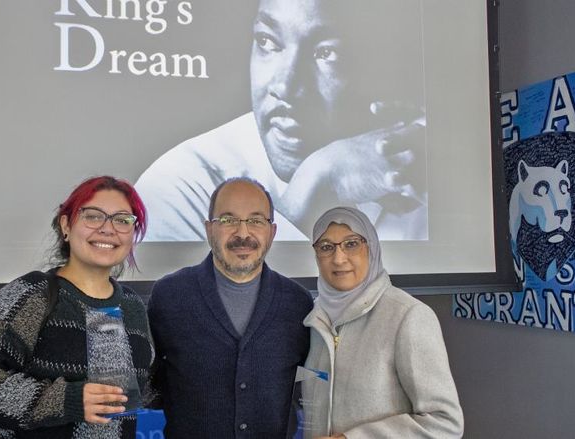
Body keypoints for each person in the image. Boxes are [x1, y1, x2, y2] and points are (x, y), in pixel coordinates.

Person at [136, 0, 428, 242]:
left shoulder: (418, 158)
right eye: (267, 41)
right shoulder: (181, 184)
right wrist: (316, 182)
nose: (286, 87)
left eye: (326, 52)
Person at [0, 176, 155, 438]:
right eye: (93, 216)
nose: (108, 229)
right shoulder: (31, 295)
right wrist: (66, 400)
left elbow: (141, 391)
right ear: (66, 225)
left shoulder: (132, 307)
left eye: (122, 220)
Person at [147, 177, 314, 438]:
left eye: (256, 220)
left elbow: (310, 389)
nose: (243, 233)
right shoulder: (169, 296)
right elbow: (150, 384)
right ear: (209, 229)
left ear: (272, 231)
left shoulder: (298, 304)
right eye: (228, 220)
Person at [300, 207, 463, 438]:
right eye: (326, 247)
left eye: (351, 243)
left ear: (372, 249)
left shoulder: (408, 316)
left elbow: (445, 423)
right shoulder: (315, 320)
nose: (338, 258)